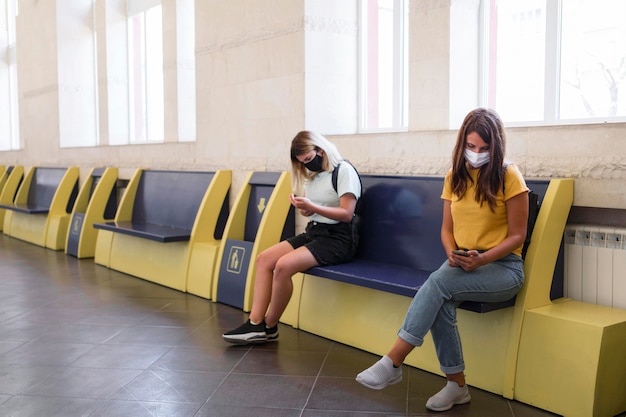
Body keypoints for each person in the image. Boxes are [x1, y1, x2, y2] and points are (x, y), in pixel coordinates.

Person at [355, 108, 529, 412]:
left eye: (484, 148)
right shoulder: (455, 176)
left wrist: (484, 257)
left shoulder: (508, 175)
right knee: (441, 299)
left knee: (437, 284)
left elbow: (518, 235)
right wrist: (451, 251)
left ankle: (393, 360)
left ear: (496, 146)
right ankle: (456, 386)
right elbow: (446, 229)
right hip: (463, 264)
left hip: (503, 269)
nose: (476, 154)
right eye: (471, 146)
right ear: (462, 143)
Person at [223, 130, 361, 344]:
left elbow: (346, 214)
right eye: (302, 163)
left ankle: (269, 325)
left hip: (339, 239)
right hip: (315, 232)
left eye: (308, 159)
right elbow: (316, 209)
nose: (307, 166)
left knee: (283, 266)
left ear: (321, 150)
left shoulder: (344, 171)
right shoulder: (313, 176)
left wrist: (312, 206)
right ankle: (255, 322)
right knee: (264, 259)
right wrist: (305, 209)